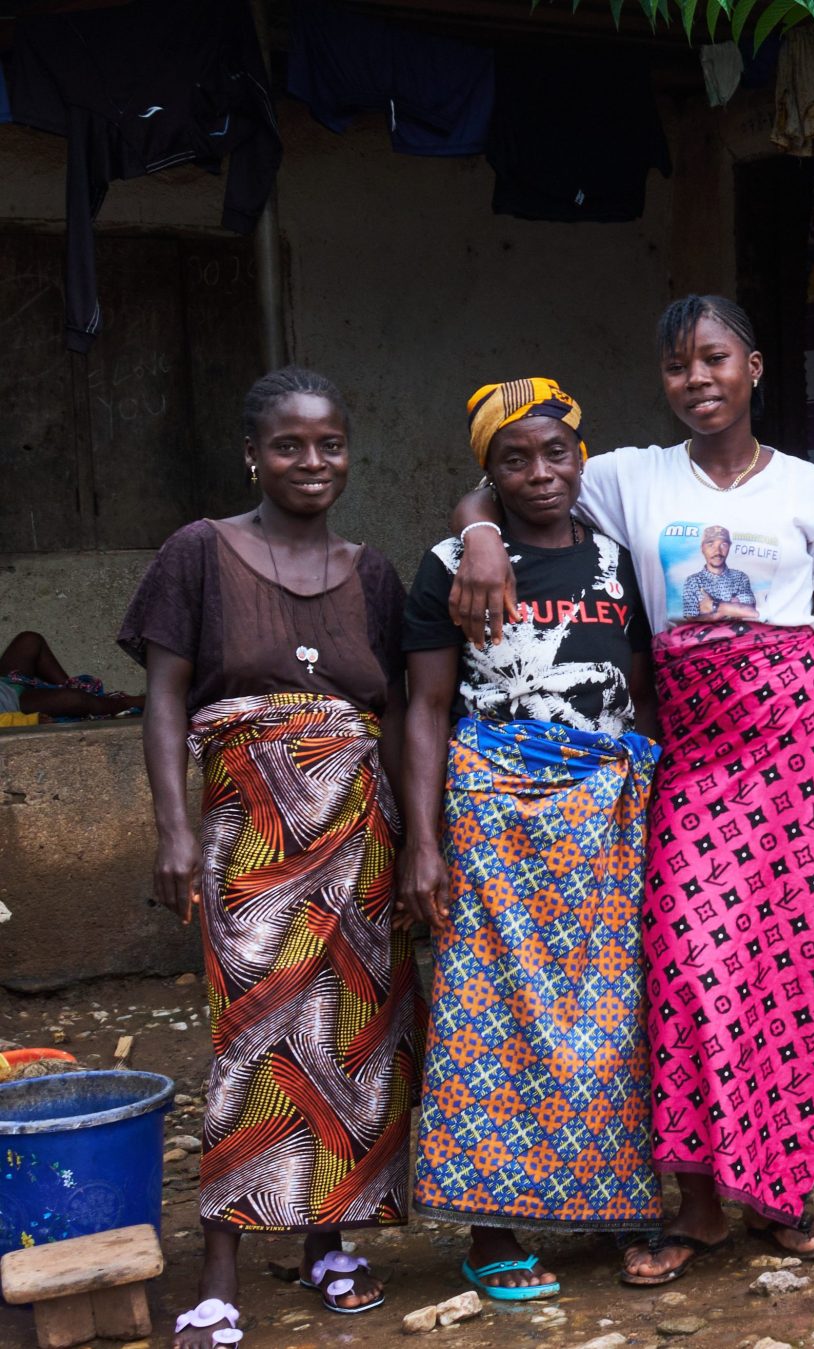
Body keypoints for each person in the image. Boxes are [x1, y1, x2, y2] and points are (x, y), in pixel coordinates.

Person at [446, 296, 814, 1284]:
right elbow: (519, 474)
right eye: (677, 367)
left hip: (806, 749)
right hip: (696, 756)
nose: (697, 380)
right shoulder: (628, 476)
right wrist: (476, 532)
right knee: (693, 963)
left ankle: (781, 1190)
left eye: (714, 360)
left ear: (754, 365)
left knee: (800, 967)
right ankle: (699, 1204)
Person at [122, 367, 415, 1349]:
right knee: (249, 1039)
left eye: (329, 443)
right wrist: (170, 824)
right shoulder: (199, 552)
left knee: (347, 1041)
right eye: (289, 444)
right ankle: (217, 1273)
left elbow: (397, 710)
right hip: (247, 834)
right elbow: (165, 695)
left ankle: (330, 1241)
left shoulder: (372, 570)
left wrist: (417, 841)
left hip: (362, 837)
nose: (312, 461)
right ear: (253, 453)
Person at [397, 379, 661, 1300]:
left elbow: (640, 687)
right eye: (514, 459)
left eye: (555, 453)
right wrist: (423, 842)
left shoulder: (617, 560)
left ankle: (619, 1205)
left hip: (602, 824)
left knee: (611, 1017)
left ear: (580, 456)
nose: (540, 473)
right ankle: (491, 1225)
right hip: (493, 823)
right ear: (487, 470)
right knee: (488, 1014)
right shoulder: (452, 563)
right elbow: (427, 708)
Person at [0, 630, 143, 719]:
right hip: (14, 707)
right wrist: (29, 721)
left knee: (30, 640)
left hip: (5, 684)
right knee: (75, 700)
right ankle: (123, 704)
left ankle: (74, 690)